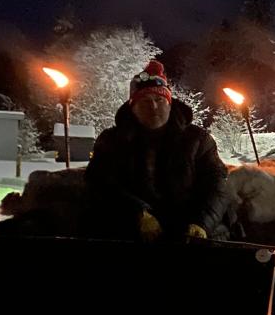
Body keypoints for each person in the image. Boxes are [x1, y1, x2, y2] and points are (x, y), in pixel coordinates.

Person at [85, 60, 230, 241]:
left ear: (169, 103)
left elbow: (217, 186)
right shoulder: (112, 141)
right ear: (133, 108)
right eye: (144, 101)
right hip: (130, 229)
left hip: (190, 227)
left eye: (159, 100)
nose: (153, 107)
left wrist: (201, 223)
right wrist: (137, 214)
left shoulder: (198, 140)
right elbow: (99, 184)